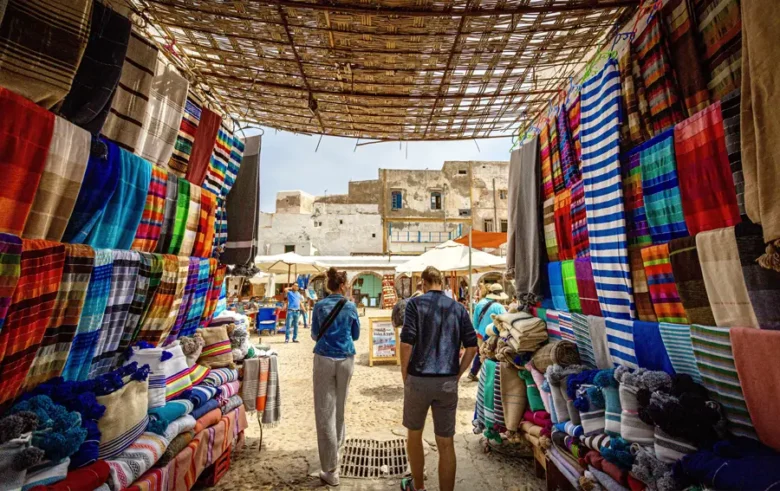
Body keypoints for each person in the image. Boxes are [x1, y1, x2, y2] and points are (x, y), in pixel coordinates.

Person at [400, 266, 478, 491]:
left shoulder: (415, 304)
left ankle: (419, 487)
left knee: (414, 435)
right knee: (446, 442)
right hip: (446, 382)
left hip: (419, 379)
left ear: (423, 283)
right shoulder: (458, 308)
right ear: (442, 283)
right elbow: (472, 347)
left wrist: (405, 374)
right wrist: (458, 373)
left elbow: (406, 343)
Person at [311, 267, 360, 487]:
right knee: (339, 408)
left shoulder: (319, 306)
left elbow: (314, 334)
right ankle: (336, 453)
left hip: (324, 358)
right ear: (342, 285)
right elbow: (356, 334)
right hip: (346, 359)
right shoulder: (350, 306)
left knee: (324, 411)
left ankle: (330, 469)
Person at [467, 283, 508, 381]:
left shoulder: (480, 303)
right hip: (493, 336)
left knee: (480, 353)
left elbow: (475, 323)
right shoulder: (499, 307)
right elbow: (506, 321)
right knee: (492, 356)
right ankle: (490, 377)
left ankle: (472, 373)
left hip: (480, 335)